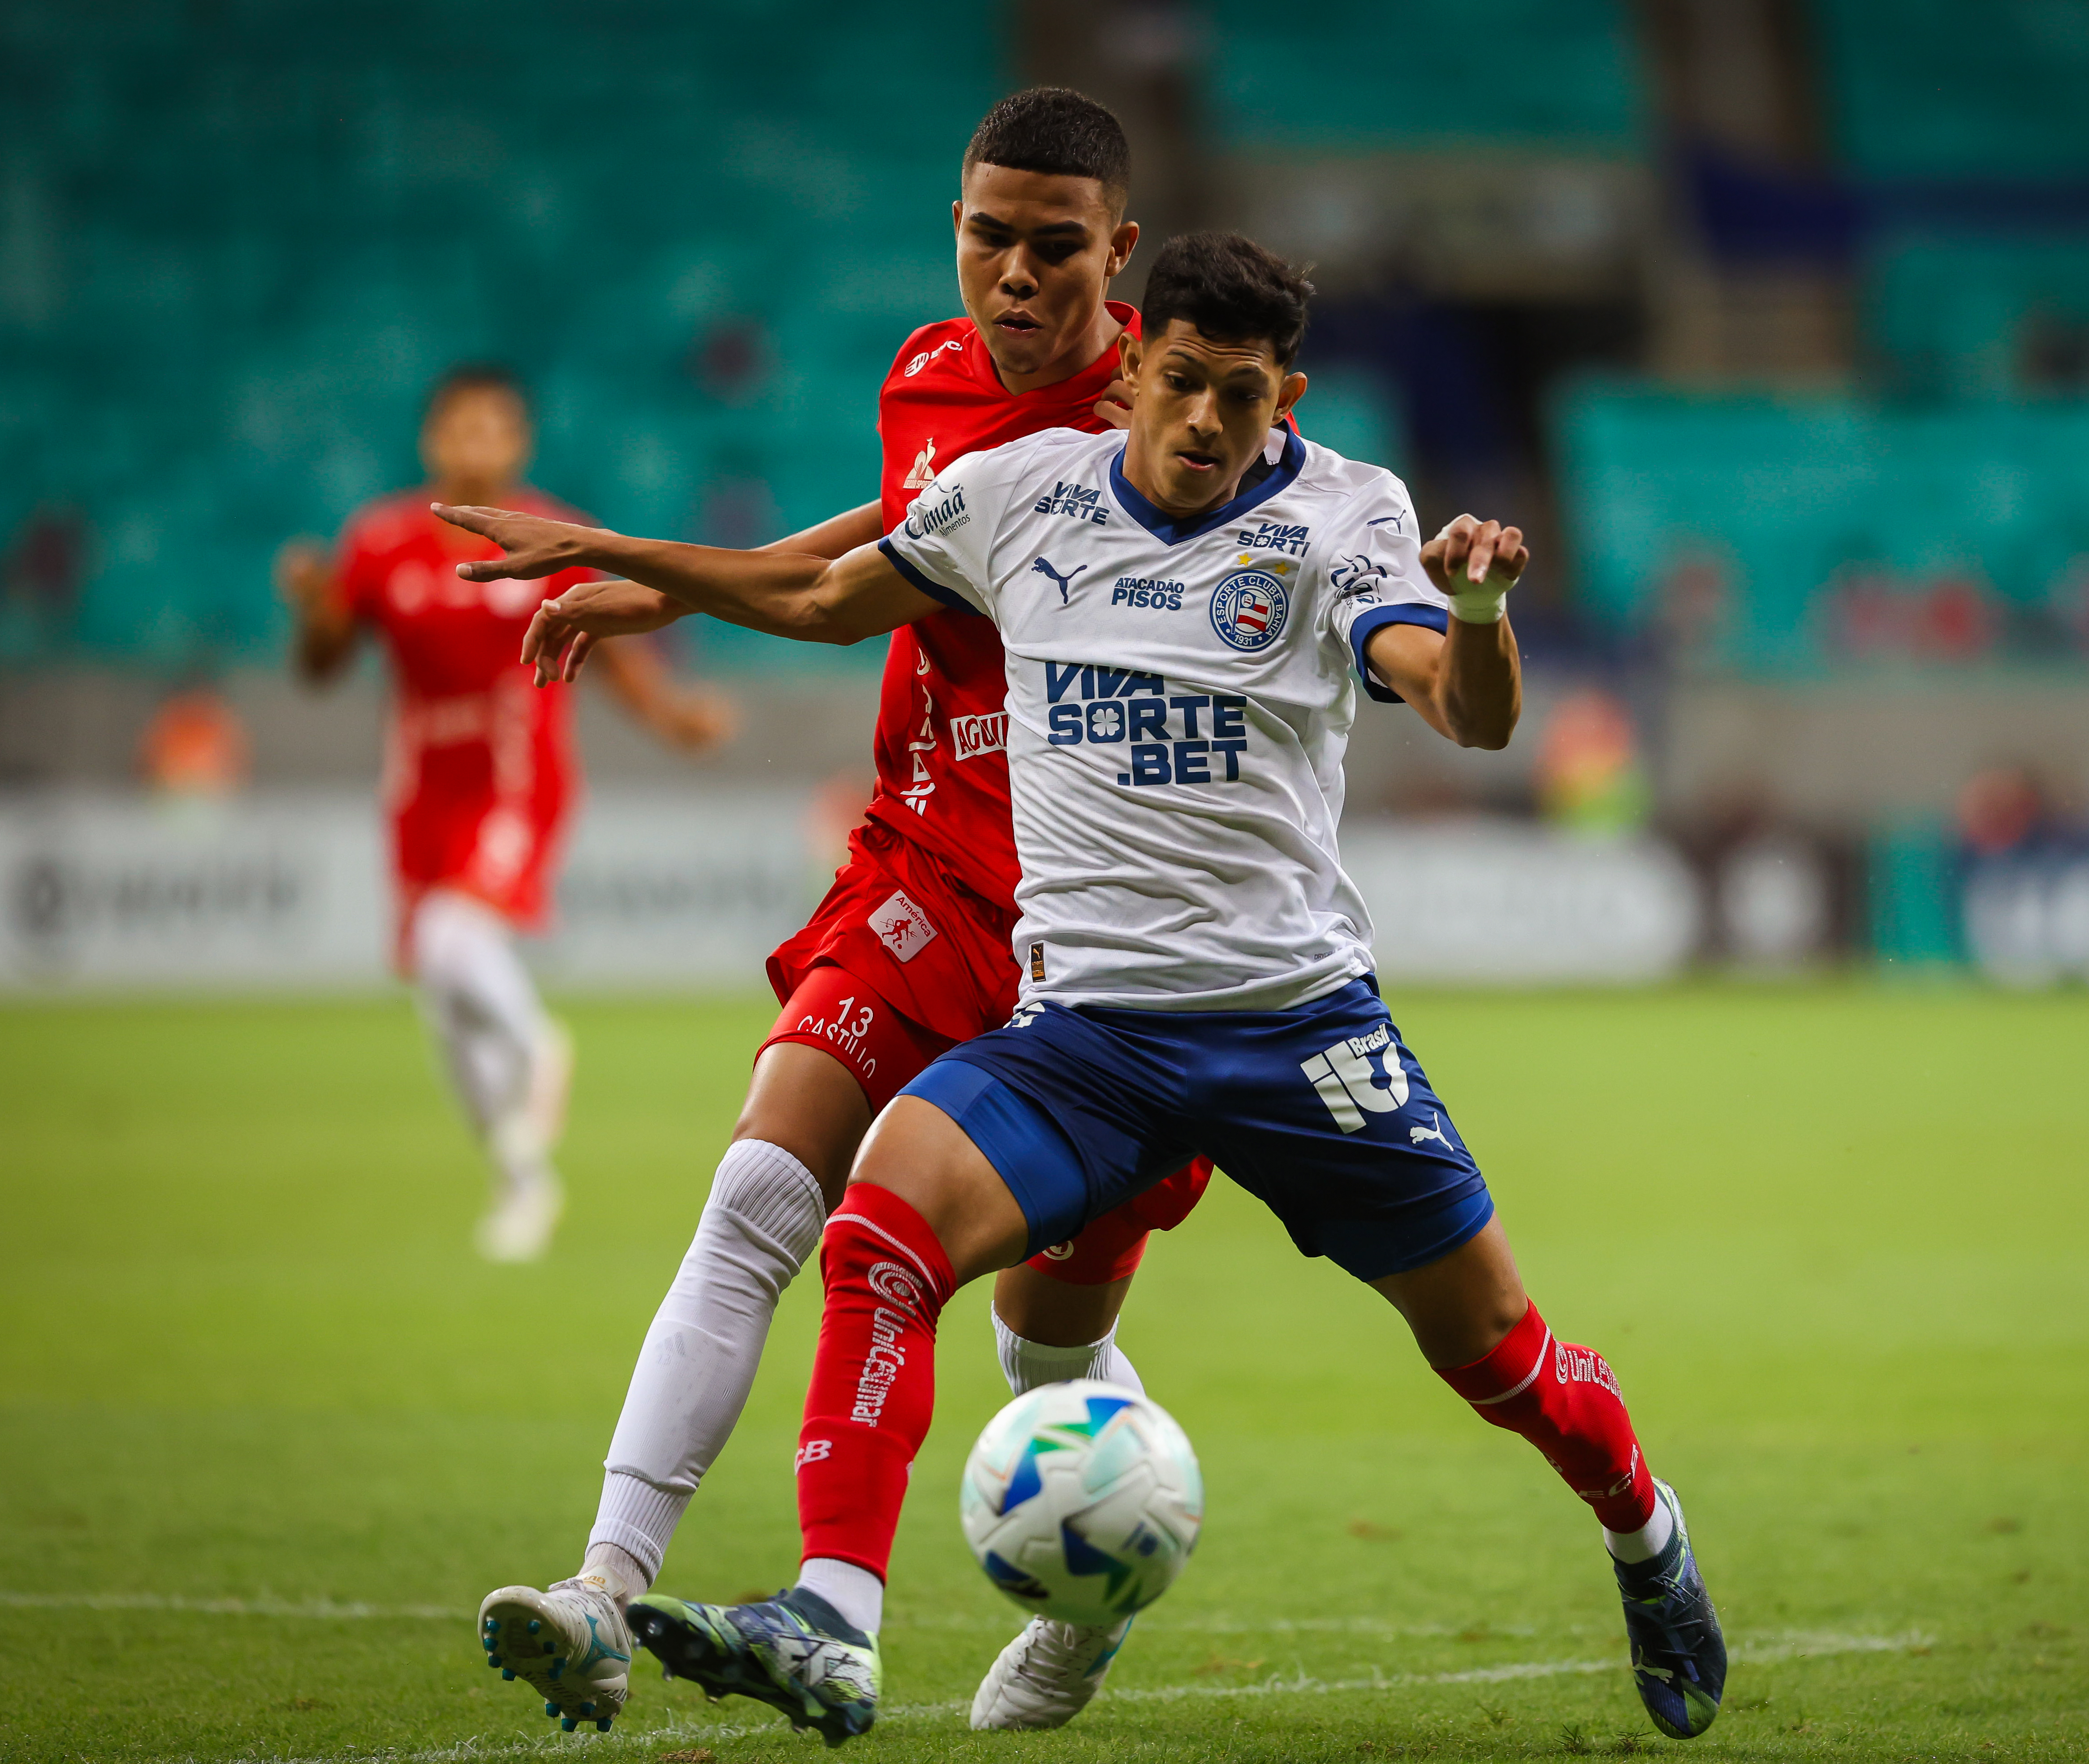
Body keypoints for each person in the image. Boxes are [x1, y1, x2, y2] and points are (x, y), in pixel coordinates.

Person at [445, 230, 1730, 1747]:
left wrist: (1475, 613)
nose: (1206, 420)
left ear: (1285, 399)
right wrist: (620, 559)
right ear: (1132, 372)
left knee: (1497, 1353)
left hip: (1295, 1032)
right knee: (875, 1227)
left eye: (1241, 396)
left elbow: (1469, 711)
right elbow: (821, 600)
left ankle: (1646, 1534)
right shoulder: (1015, 496)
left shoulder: (1344, 513)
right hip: (1086, 1038)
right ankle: (833, 1617)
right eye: (1182, 381)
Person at [469, 88, 1217, 1737]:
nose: (1012, 275)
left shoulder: (1166, 425)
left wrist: (637, 558)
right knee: (759, 1187)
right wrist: (661, 586)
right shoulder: (927, 369)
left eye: (1053, 247)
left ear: (1120, 253)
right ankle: (602, 1590)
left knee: (1044, 1357)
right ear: (953, 227)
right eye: (986, 237)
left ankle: (1094, 1597)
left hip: (1096, 934)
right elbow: (896, 525)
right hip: (923, 866)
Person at [278, 364, 731, 1263]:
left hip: (517, 780)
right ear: (432, 440)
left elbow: (611, 643)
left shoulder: (555, 535)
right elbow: (322, 664)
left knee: (452, 940)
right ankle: (522, 1177)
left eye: (494, 428)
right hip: (419, 790)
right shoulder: (380, 541)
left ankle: (540, 1047)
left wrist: (671, 716)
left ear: (519, 442)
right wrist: (313, 607)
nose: (476, 444)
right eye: (460, 427)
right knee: (444, 1001)